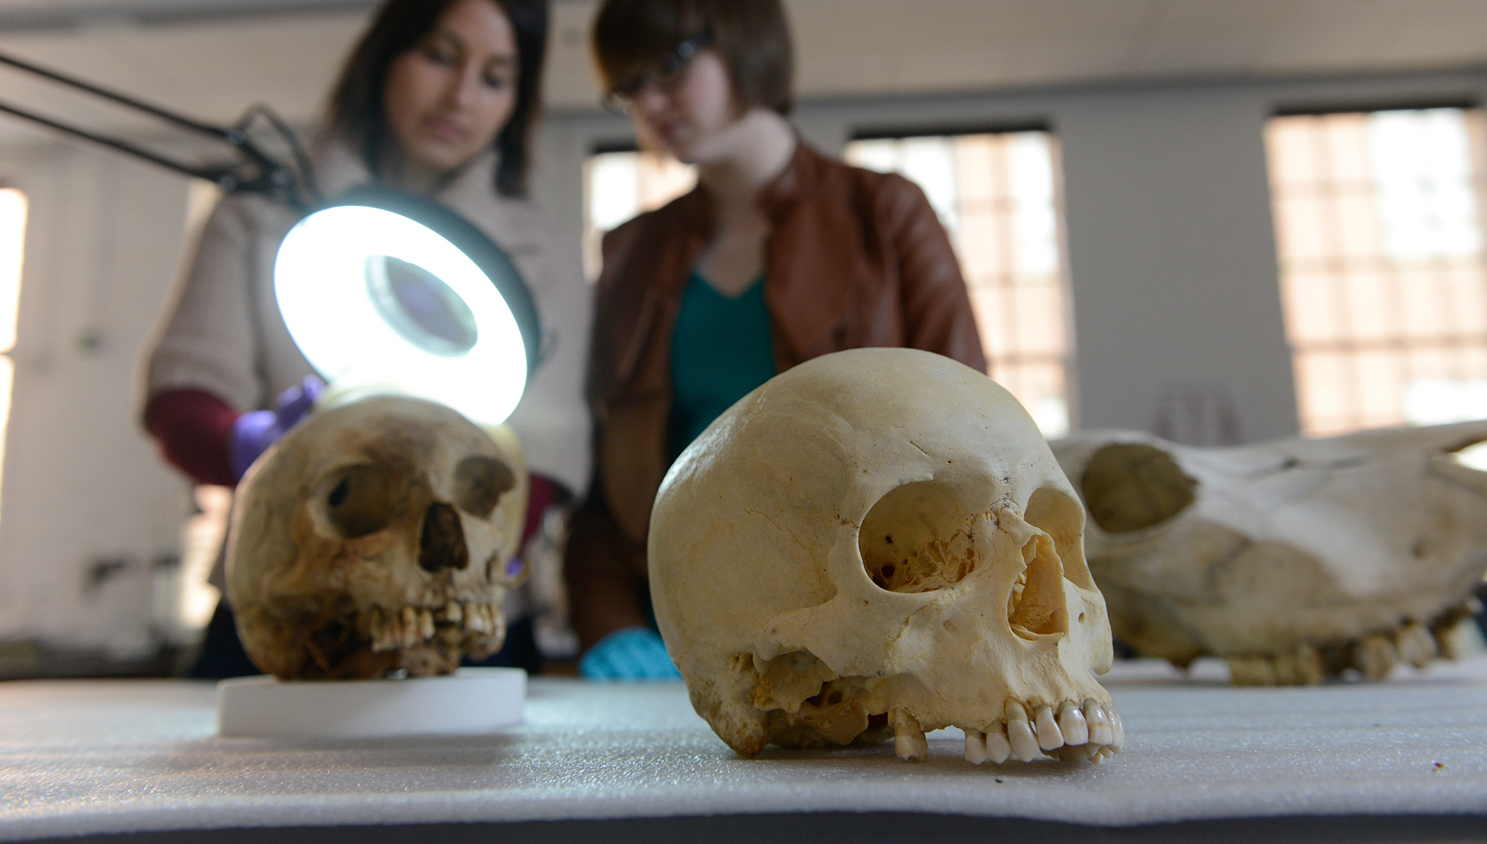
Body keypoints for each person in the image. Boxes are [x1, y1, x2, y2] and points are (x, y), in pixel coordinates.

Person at [140, 0, 591, 678]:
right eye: (440, 56)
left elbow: (547, 456)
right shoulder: (265, 212)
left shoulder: (543, 250)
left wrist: (480, 552)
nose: (460, 97)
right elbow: (182, 400)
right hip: (284, 601)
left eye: (496, 77)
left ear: (517, 101)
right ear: (385, 56)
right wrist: (256, 446)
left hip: (462, 616)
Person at [565, 0, 987, 679]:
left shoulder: (885, 214)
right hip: (680, 638)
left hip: (868, 624)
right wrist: (610, 627)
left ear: (743, 37)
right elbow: (600, 486)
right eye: (629, 86)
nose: (651, 99)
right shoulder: (630, 253)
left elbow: (976, 442)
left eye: (669, 66)